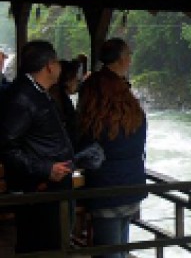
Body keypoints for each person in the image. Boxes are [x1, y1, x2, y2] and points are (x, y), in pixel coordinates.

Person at [0, 40, 74, 252]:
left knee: (49, 243)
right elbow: (6, 146)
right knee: (43, 246)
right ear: (50, 65)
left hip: (49, 187)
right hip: (41, 189)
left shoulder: (34, 92)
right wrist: (45, 169)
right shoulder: (23, 97)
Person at [77, 38, 147, 258]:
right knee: (121, 248)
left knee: (108, 249)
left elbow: (83, 133)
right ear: (123, 60)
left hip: (104, 183)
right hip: (131, 180)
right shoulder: (127, 98)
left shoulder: (91, 89)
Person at [49, 59, 82, 146]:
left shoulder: (57, 97)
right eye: (75, 78)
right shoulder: (61, 102)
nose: (77, 81)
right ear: (68, 80)